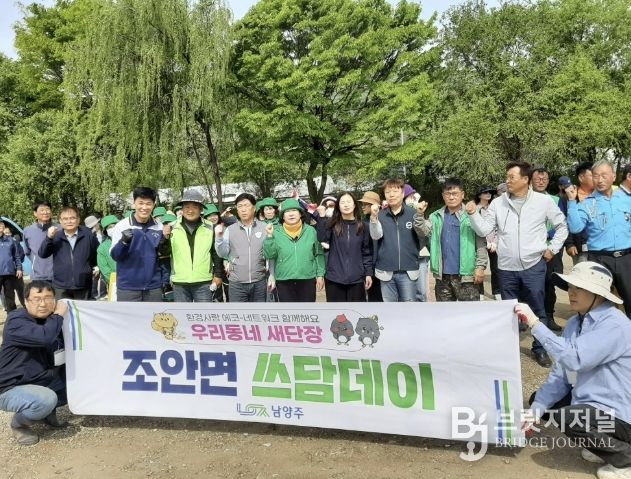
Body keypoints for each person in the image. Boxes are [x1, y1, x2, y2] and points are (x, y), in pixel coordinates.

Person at [518, 262, 631, 479]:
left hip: (621, 414)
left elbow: (574, 358)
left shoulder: (615, 325)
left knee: (569, 418)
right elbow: (562, 372)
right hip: (596, 404)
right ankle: (604, 447)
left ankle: (625, 459)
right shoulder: (574, 323)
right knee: (540, 402)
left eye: (579, 288)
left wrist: (535, 324)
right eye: (570, 287)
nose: (571, 292)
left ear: (598, 294)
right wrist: (535, 411)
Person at [466, 161, 568, 368]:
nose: (507, 180)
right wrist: (473, 214)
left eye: (511, 177)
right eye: (507, 177)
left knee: (538, 309)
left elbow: (562, 226)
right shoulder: (498, 203)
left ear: (525, 179)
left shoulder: (543, 201)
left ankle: (539, 349)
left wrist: (552, 249)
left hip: (534, 266)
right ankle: (510, 350)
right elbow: (484, 230)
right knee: (509, 311)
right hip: (506, 268)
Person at [0, 281, 69, 445]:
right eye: (37, 299)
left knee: (73, 381)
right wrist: (59, 315)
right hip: (9, 387)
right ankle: (19, 425)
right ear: (26, 301)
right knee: (46, 399)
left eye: (48, 298)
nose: (43, 304)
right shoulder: (16, 320)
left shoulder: (50, 320)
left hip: (38, 378)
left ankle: (46, 413)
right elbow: (44, 337)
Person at [566, 160, 631, 318]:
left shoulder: (626, 199)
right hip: (600, 259)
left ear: (613, 176)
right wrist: (571, 201)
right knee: (598, 304)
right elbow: (575, 227)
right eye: (595, 176)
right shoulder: (587, 203)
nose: (600, 180)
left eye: (604, 175)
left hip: (626, 258)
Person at [415, 178, 487, 302]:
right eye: (448, 194)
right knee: (444, 312)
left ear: (462, 195)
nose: (451, 197)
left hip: (466, 276)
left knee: (468, 312)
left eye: (455, 193)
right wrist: (419, 215)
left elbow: (481, 242)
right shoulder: (435, 217)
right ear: (443, 196)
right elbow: (423, 232)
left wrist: (480, 267)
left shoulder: (471, 215)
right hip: (443, 276)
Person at [110, 187, 170, 302]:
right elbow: (115, 256)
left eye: (148, 204)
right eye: (141, 203)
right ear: (134, 203)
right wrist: (123, 242)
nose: (144, 207)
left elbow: (163, 257)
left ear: (154, 205)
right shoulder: (122, 226)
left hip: (153, 287)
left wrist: (165, 242)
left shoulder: (159, 226)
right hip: (128, 287)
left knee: (155, 314)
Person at [369, 179, 421, 302]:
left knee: (408, 307)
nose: (391, 195)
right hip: (386, 270)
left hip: (408, 270)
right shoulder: (380, 215)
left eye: (395, 191)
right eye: (387, 192)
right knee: (389, 308)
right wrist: (373, 218)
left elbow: (423, 235)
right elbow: (375, 236)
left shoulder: (413, 214)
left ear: (402, 194)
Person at [166, 190, 223, 303]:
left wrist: (218, 275)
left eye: (195, 207)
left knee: (204, 313)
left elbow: (216, 253)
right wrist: (163, 239)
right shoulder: (171, 227)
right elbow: (165, 253)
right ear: (182, 208)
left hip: (204, 282)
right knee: (182, 314)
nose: (190, 210)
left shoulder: (210, 227)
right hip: (179, 282)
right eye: (187, 207)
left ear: (201, 209)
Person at [263, 199, 325, 302]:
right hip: (284, 280)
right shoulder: (275, 231)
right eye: (287, 211)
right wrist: (269, 236)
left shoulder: (311, 231)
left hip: (307, 278)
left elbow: (318, 254)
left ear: (300, 214)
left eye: (294, 210)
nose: (291, 214)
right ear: (282, 216)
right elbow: (269, 255)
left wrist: (320, 274)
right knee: (289, 311)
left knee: (308, 310)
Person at [315, 192, 373, 302]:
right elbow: (322, 238)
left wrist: (368, 273)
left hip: (357, 279)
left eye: (349, 202)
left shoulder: (363, 226)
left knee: (356, 311)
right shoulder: (332, 224)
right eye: (342, 202)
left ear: (354, 205)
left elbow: (366, 251)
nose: (346, 205)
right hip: (334, 279)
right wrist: (321, 217)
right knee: (337, 312)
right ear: (338, 206)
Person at [215, 193, 268, 302]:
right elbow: (223, 253)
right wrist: (219, 239)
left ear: (254, 208)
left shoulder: (264, 228)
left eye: (246, 205)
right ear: (237, 210)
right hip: (237, 284)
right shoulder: (230, 229)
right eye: (240, 206)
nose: (243, 209)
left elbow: (270, 252)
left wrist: (271, 275)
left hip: (259, 281)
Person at [39, 207, 98, 300]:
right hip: (61, 286)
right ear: (60, 221)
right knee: (62, 309)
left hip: (83, 284)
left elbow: (95, 253)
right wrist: (49, 238)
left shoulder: (88, 235)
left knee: (82, 309)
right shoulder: (56, 236)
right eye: (65, 219)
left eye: (72, 218)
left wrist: (91, 268)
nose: (69, 221)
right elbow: (42, 254)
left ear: (78, 219)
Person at [532, 167, 564, 331]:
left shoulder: (555, 200)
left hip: (550, 248)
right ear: (530, 180)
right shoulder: (525, 199)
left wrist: (548, 236)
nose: (541, 182)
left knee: (548, 283)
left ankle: (549, 316)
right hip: (529, 248)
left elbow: (562, 224)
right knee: (527, 283)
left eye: (544, 179)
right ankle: (526, 318)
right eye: (537, 179)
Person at [403, 185, 430, 302]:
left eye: (413, 196)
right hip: (404, 259)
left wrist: (418, 214)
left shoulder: (419, 211)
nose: (413, 198)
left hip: (420, 257)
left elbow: (424, 234)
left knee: (421, 293)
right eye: (410, 196)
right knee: (406, 294)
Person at [475, 185, 500, 300]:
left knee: (496, 268)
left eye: (490, 192)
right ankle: (480, 292)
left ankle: (497, 291)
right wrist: (485, 242)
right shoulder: (475, 209)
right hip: (480, 243)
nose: (488, 194)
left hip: (494, 243)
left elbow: (498, 227)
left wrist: (495, 242)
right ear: (479, 195)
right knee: (479, 267)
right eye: (485, 192)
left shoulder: (494, 208)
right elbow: (476, 227)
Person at [358, 191, 383, 302]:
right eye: (362, 204)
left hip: (381, 266)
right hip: (369, 266)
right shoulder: (363, 222)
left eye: (366, 204)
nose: (363, 206)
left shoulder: (382, 220)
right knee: (373, 297)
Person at [23, 200, 56, 282]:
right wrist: (37, 263)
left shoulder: (60, 228)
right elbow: (27, 252)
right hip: (38, 276)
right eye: (42, 210)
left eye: (47, 209)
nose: (45, 212)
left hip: (58, 275)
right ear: (35, 213)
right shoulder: (28, 231)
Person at [0, 221, 23, 312]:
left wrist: (19, 268)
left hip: (9, 272)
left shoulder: (10, 240)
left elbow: (16, 256)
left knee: (10, 296)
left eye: (2, 224)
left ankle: (12, 315)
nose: (1, 225)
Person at [96, 215, 119, 291]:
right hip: (115, 284)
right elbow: (105, 269)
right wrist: (116, 280)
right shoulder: (102, 248)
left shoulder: (129, 242)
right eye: (110, 227)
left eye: (115, 225)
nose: (113, 228)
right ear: (106, 231)